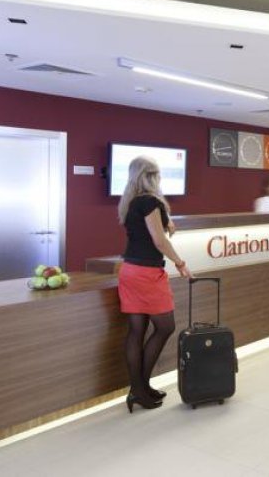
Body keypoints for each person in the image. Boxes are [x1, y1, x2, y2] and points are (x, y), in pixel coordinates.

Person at [117, 156, 193, 412]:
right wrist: (180, 263)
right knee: (165, 326)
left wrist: (165, 221)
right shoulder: (150, 202)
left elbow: (149, 232)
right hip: (147, 273)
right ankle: (139, 388)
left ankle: (139, 389)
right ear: (152, 176)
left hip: (130, 270)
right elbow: (159, 242)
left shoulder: (131, 203)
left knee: (136, 331)